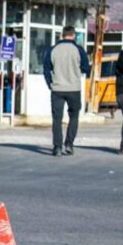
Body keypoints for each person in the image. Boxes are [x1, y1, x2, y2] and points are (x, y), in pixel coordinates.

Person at [43, 26, 90, 157]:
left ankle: (57, 147)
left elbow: (46, 69)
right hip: (74, 88)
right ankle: (69, 144)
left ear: (62, 35)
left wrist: (50, 84)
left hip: (57, 89)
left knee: (57, 119)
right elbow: (86, 68)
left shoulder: (53, 50)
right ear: (73, 35)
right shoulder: (79, 50)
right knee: (74, 116)